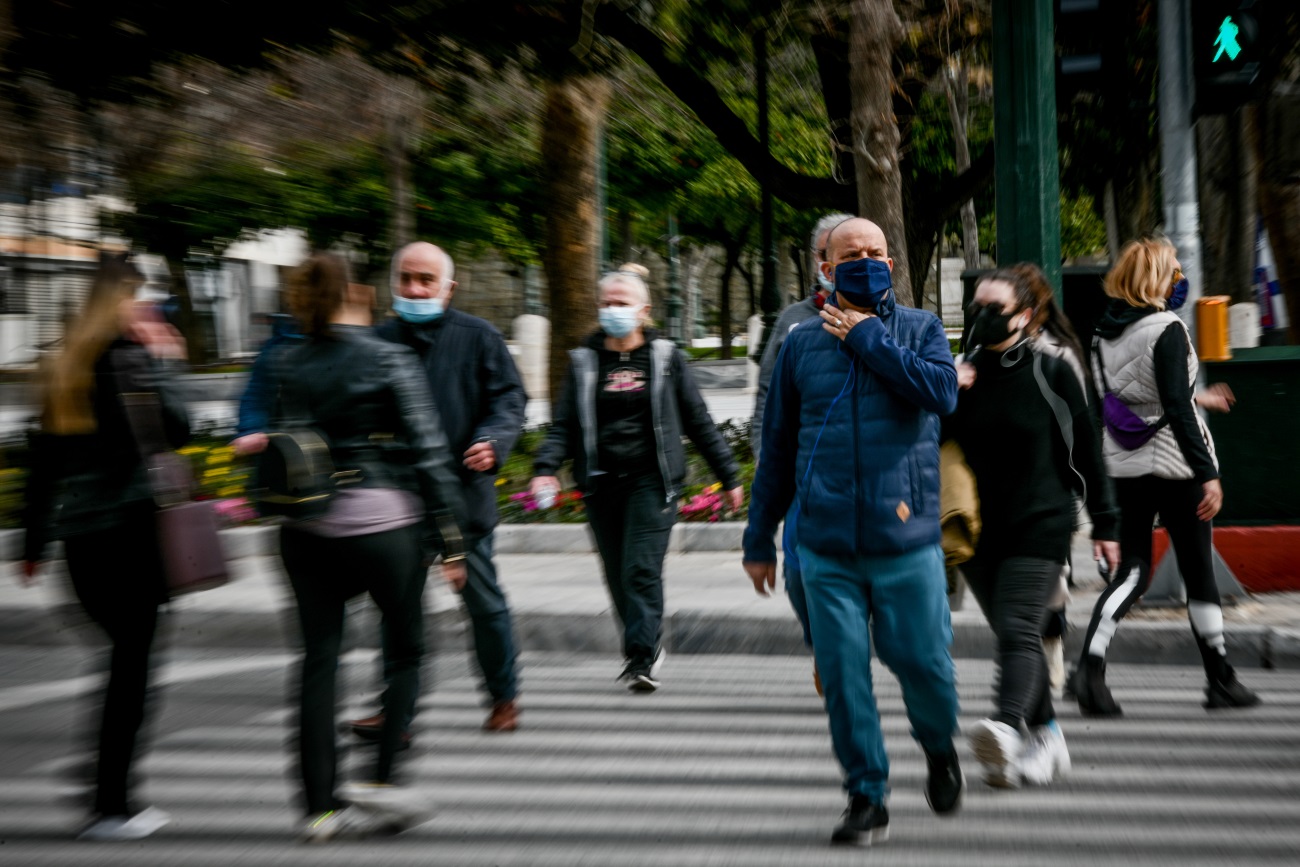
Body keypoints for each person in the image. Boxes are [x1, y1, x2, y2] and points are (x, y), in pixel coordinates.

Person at [743, 217, 964, 846]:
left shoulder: (920, 329)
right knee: (842, 675)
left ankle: (938, 746)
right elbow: (778, 449)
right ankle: (866, 795)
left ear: (891, 263)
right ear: (824, 266)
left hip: (906, 540)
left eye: (875, 253)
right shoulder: (798, 344)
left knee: (923, 664)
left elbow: (942, 395)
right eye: (851, 255)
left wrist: (870, 338)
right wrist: (759, 538)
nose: (865, 262)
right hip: (824, 544)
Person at [270, 253, 470, 841]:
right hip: (385, 525)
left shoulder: (286, 360)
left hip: (306, 530)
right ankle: (382, 778)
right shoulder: (389, 356)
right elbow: (429, 452)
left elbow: (288, 439)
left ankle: (319, 808)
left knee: (318, 662)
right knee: (406, 651)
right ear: (355, 292)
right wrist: (452, 542)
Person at [22, 255, 189, 841]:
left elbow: (43, 465)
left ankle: (102, 777)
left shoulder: (65, 364)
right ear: (119, 302)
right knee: (132, 670)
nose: (146, 309)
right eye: (139, 298)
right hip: (131, 537)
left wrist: (33, 542)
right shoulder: (131, 361)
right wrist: (165, 364)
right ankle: (112, 803)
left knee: (120, 663)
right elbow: (179, 428)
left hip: (82, 541)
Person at [947, 263, 1120, 789]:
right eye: (974, 305)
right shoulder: (958, 374)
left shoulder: (1052, 372)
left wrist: (1106, 525)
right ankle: (1046, 736)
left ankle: (1003, 725)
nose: (980, 315)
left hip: (1041, 525)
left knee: (1020, 630)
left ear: (1024, 317)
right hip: (979, 533)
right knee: (1011, 633)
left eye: (992, 308)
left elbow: (1088, 450)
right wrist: (945, 393)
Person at [1070, 238, 1260, 715]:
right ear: (1155, 279)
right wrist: (1208, 472)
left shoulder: (1102, 333)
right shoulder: (1168, 328)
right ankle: (1220, 679)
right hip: (1176, 466)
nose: (1180, 279)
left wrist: (1200, 397)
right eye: (1174, 271)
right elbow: (1172, 404)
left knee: (1131, 571)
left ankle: (1090, 670)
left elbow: (1128, 396)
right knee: (1197, 567)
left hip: (1125, 465)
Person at [530, 267, 742, 692]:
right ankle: (643, 644)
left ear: (643, 311)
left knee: (640, 569)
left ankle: (641, 657)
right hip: (600, 482)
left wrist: (729, 475)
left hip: (652, 480)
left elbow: (697, 420)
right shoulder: (584, 361)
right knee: (616, 574)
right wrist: (544, 470)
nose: (613, 310)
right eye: (606, 303)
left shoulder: (665, 358)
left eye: (622, 303)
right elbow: (564, 426)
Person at [366, 241, 529, 733]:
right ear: (393, 283)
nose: (415, 289)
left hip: (463, 497)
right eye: (406, 279)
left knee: (484, 605)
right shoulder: (376, 343)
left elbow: (510, 399)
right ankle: (396, 706)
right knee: (397, 612)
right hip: (399, 502)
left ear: (449, 287)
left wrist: (493, 442)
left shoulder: (479, 337)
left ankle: (503, 698)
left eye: (426, 280)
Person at [752, 212, 854, 685]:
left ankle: (847, 646)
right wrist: (762, 452)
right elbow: (767, 392)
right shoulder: (793, 322)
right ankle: (824, 646)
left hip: (863, 478)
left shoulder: (889, 318)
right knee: (798, 576)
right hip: (801, 476)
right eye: (830, 254)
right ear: (821, 261)